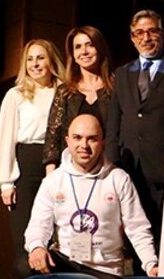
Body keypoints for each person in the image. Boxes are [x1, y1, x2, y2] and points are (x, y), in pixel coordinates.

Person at [25, 113, 159, 279]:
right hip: (67, 262)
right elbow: (38, 225)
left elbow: (137, 227)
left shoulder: (118, 179)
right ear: (67, 140)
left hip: (104, 269)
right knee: (26, 265)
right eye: (77, 138)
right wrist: (36, 247)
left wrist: (151, 263)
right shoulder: (53, 181)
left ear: (102, 142)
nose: (84, 145)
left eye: (92, 139)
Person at [105, 10, 164, 237]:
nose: (146, 38)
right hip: (130, 166)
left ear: (163, 34)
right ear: (132, 38)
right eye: (139, 33)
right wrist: (113, 162)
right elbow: (114, 121)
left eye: (152, 31)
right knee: (134, 235)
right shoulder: (122, 73)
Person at [0, 39, 65, 279]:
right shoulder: (16, 95)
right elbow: (6, 138)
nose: (35, 64)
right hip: (26, 166)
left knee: (56, 238)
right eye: (30, 59)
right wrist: (6, 182)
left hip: (59, 164)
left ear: (51, 61)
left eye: (40, 58)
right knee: (24, 240)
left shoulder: (64, 92)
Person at [42, 27, 114, 174]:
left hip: (109, 172)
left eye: (90, 45)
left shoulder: (116, 87)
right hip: (70, 172)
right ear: (73, 54)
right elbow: (53, 136)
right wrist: (51, 175)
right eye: (78, 47)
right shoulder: (65, 92)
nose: (84, 51)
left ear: (100, 48)